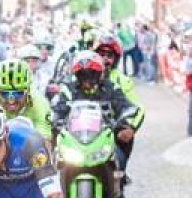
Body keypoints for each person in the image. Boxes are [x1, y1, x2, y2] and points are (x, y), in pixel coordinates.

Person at [52, 52, 141, 175]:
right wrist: (55, 119)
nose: (87, 78)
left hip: (105, 135)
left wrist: (125, 122)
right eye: (83, 74)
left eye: (92, 74)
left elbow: (126, 106)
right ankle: (54, 185)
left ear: (100, 74)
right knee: (56, 151)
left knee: (122, 149)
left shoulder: (111, 87)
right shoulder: (69, 89)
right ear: (77, 75)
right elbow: (58, 108)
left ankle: (119, 182)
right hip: (75, 137)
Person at [93, 34, 146, 170]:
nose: (105, 59)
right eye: (101, 54)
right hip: (83, 130)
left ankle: (119, 180)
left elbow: (137, 108)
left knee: (119, 161)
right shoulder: (81, 75)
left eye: (109, 55)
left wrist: (130, 127)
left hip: (112, 131)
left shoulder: (123, 81)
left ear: (115, 59)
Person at [0, 59, 53, 143]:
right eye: (5, 93)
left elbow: (45, 141)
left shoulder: (40, 103)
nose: (11, 101)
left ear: (28, 90)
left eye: (18, 93)